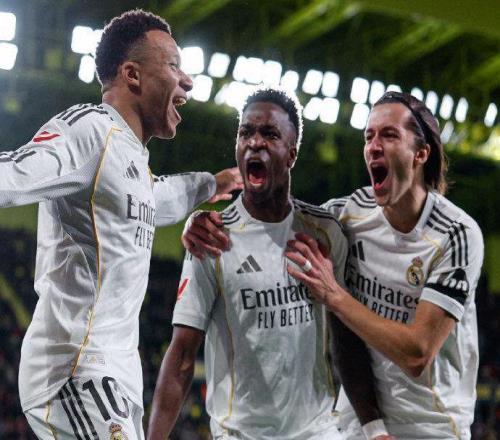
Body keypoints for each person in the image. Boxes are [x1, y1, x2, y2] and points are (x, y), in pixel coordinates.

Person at [182, 91, 484, 439]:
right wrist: (202, 224)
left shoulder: (456, 234)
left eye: (389, 135)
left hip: (432, 425)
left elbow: (417, 354)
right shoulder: (347, 215)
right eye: (368, 136)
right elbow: (277, 218)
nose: (373, 146)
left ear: (421, 153)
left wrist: (335, 296)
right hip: (359, 421)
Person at [0, 9, 241, 440]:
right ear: (132, 74)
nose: (187, 82)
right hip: (77, 366)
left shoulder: (131, 160)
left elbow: (157, 198)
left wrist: (212, 183)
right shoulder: (91, 131)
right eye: (173, 66)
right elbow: (13, 174)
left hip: (114, 377)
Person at [148, 88, 392, 440]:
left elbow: (346, 339)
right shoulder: (211, 238)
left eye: (270, 134)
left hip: (318, 432)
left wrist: (374, 427)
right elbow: (183, 355)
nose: (255, 142)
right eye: (246, 132)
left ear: (292, 154)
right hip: (240, 434)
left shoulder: (324, 233)